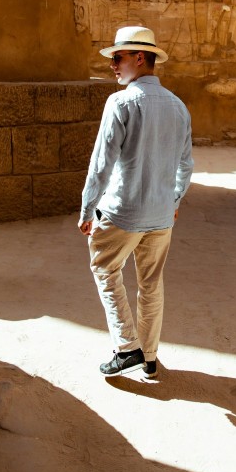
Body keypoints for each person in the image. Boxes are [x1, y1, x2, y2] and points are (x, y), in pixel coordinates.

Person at [78, 26, 194, 379]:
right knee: (151, 284)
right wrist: (173, 199)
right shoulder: (178, 107)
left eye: (118, 57)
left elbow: (102, 163)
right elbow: (186, 165)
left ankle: (127, 347)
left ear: (139, 57)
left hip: (122, 212)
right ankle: (150, 358)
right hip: (161, 215)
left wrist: (87, 208)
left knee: (105, 269)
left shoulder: (121, 102)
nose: (113, 65)